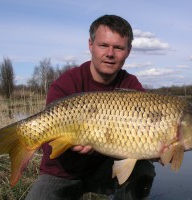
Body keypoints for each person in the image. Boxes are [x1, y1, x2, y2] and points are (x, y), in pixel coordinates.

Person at [26, 14, 155, 200]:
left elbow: (146, 134)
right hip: (61, 171)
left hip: (104, 170)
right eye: (103, 45)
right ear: (90, 45)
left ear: (128, 51)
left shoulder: (130, 85)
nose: (110, 53)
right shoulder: (65, 84)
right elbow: (50, 141)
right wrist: (69, 143)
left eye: (118, 47)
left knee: (142, 169)